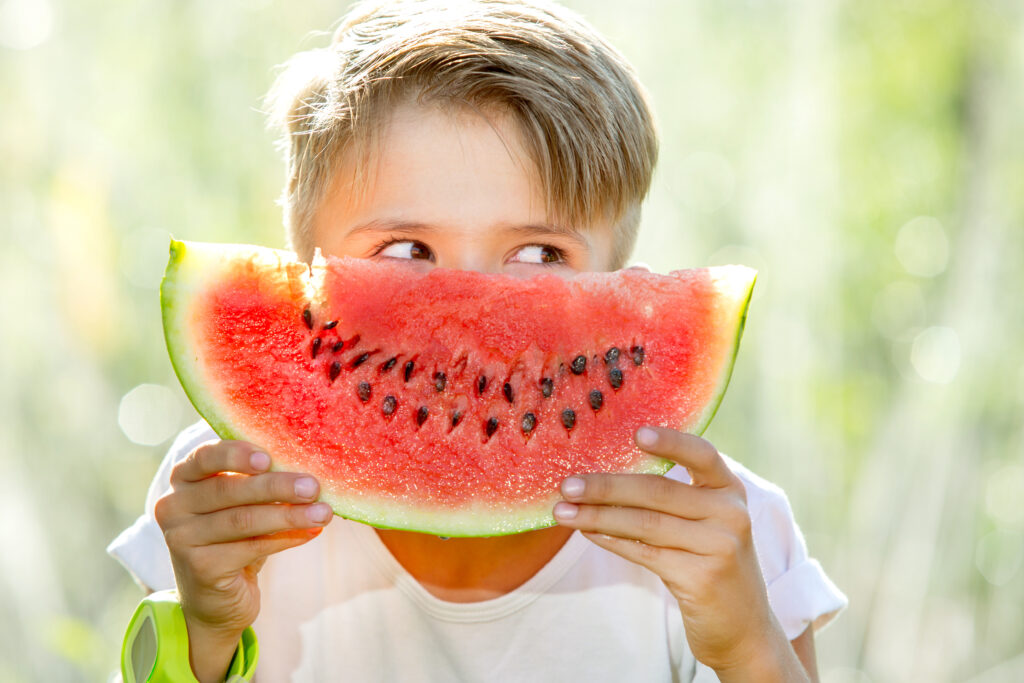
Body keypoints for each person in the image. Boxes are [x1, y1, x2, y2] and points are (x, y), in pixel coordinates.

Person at [109, 1, 846, 680]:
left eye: (537, 255)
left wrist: (749, 644)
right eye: (403, 252)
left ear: (618, 280)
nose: (464, 321)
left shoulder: (723, 533)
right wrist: (205, 626)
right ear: (311, 270)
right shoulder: (233, 492)